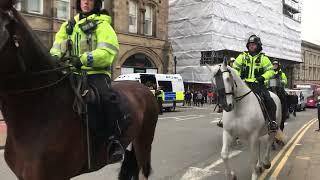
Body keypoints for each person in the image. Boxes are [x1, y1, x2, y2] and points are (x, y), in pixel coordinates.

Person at [50, 0, 124, 162]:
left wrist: (83, 59)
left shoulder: (102, 25)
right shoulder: (68, 26)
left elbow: (108, 52)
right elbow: (56, 48)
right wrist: (53, 59)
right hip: (71, 72)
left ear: (96, 3)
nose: (86, 2)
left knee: (105, 97)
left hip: (95, 73)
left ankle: (114, 140)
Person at [232, 34, 278, 131]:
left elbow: (270, 71)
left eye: (253, 44)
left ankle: (271, 122)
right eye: (250, 44)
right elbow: (235, 68)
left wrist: (262, 77)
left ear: (258, 46)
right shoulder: (242, 56)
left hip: (258, 85)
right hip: (244, 84)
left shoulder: (263, 58)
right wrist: (239, 77)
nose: (251, 46)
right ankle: (225, 120)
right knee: (229, 96)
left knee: (269, 100)